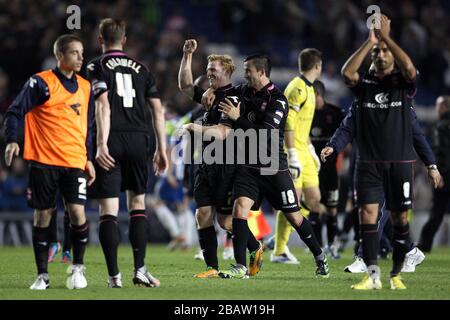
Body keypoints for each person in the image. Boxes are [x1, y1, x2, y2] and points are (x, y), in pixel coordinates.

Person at [321, 14, 441, 290]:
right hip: (368, 165)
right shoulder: (363, 90)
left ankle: (397, 271)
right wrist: (371, 41)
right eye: (378, 53)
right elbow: (347, 81)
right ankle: (371, 273)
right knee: (368, 215)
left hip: (399, 164)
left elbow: (411, 72)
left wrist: (431, 165)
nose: (381, 54)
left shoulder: (402, 87)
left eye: (386, 51)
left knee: (399, 219)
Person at [188, 54, 329, 279]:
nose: (245, 74)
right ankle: (241, 267)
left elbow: (265, 135)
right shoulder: (243, 92)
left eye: (248, 70)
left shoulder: (278, 99)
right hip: (248, 166)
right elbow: (226, 92)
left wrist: (237, 117)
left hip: (273, 167)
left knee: (294, 216)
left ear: (261, 72)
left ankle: (319, 256)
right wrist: (210, 90)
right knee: (238, 210)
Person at [4, 34, 95, 290]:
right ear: (60, 56)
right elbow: (14, 112)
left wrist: (88, 158)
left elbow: (86, 126)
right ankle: (42, 275)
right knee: (43, 215)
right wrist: (12, 140)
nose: (80, 57)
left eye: (81, 52)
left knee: (77, 212)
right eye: (75, 53)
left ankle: (77, 269)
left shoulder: (85, 87)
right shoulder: (40, 83)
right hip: (44, 161)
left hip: (75, 161)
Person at [86, 18, 168, 288]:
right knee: (137, 204)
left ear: (101, 40)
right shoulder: (142, 68)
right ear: (124, 39)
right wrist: (162, 148)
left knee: (108, 209)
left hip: (111, 139)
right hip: (139, 139)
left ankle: (114, 277)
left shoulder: (95, 66)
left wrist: (101, 144)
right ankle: (140, 269)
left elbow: (103, 107)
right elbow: (158, 110)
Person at [178, 39, 263, 278]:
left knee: (226, 222)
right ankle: (212, 268)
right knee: (202, 214)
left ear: (226, 71)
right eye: (207, 70)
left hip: (228, 166)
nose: (208, 73)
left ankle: (255, 247)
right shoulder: (210, 95)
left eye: (213, 70)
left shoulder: (233, 98)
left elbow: (223, 133)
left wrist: (195, 128)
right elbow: (185, 85)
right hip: (206, 165)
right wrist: (187, 56)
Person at [270, 48, 324, 265]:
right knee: (291, 202)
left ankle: (281, 237)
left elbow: (302, 124)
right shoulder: (298, 88)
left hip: (304, 150)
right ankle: (280, 250)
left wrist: (310, 150)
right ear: (318, 66)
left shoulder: (310, 90)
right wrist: (292, 154)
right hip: (291, 151)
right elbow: (288, 122)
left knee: (313, 200)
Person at [309, 80, 345, 259]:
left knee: (332, 210)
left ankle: (332, 245)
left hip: (330, 171)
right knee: (314, 207)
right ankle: (319, 248)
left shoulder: (336, 113)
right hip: (311, 170)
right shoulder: (304, 114)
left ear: (317, 94)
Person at [419, 96, 450, 252]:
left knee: (436, 212)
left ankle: (425, 244)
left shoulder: (440, 127)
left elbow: (441, 152)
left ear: (444, 107)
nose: (436, 109)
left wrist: (440, 173)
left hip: (445, 176)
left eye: (438, 106)